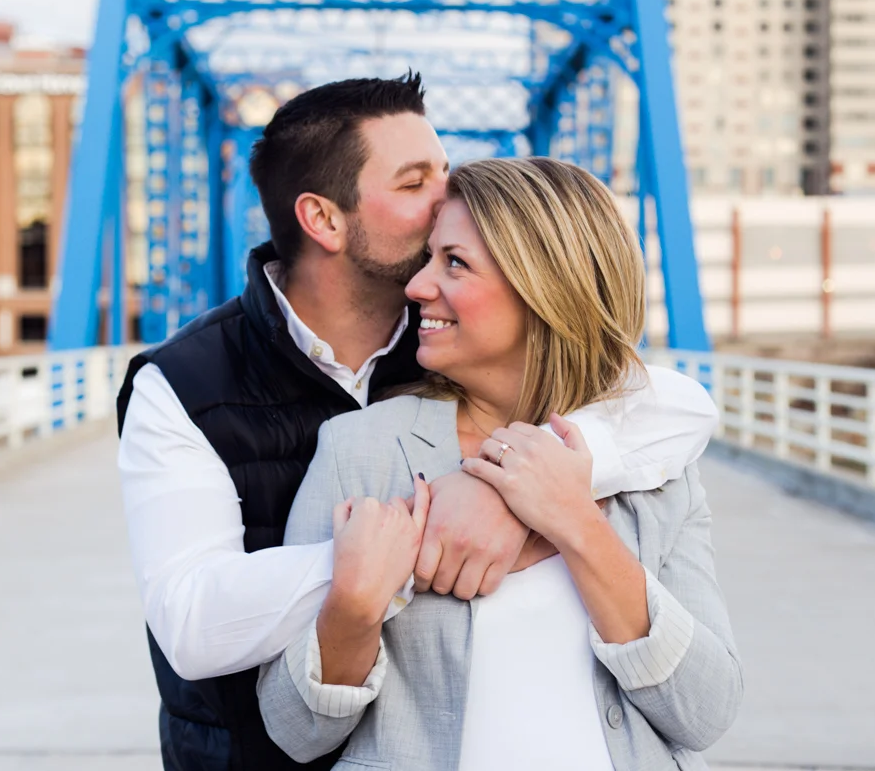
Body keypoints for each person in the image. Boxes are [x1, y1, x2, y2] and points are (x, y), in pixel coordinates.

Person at [116, 76, 720, 771]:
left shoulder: (454, 338)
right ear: (324, 219)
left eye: (445, 169)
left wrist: (510, 489)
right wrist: (401, 544)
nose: (446, 195)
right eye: (414, 182)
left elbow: (673, 403)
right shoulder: (185, 384)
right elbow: (191, 624)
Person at [258, 157, 743, 771]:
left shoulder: (651, 466)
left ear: (546, 285)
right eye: (427, 257)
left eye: (454, 262)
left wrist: (575, 523)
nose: (416, 286)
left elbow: (706, 714)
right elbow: (293, 731)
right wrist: (353, 608)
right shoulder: (362, 449)